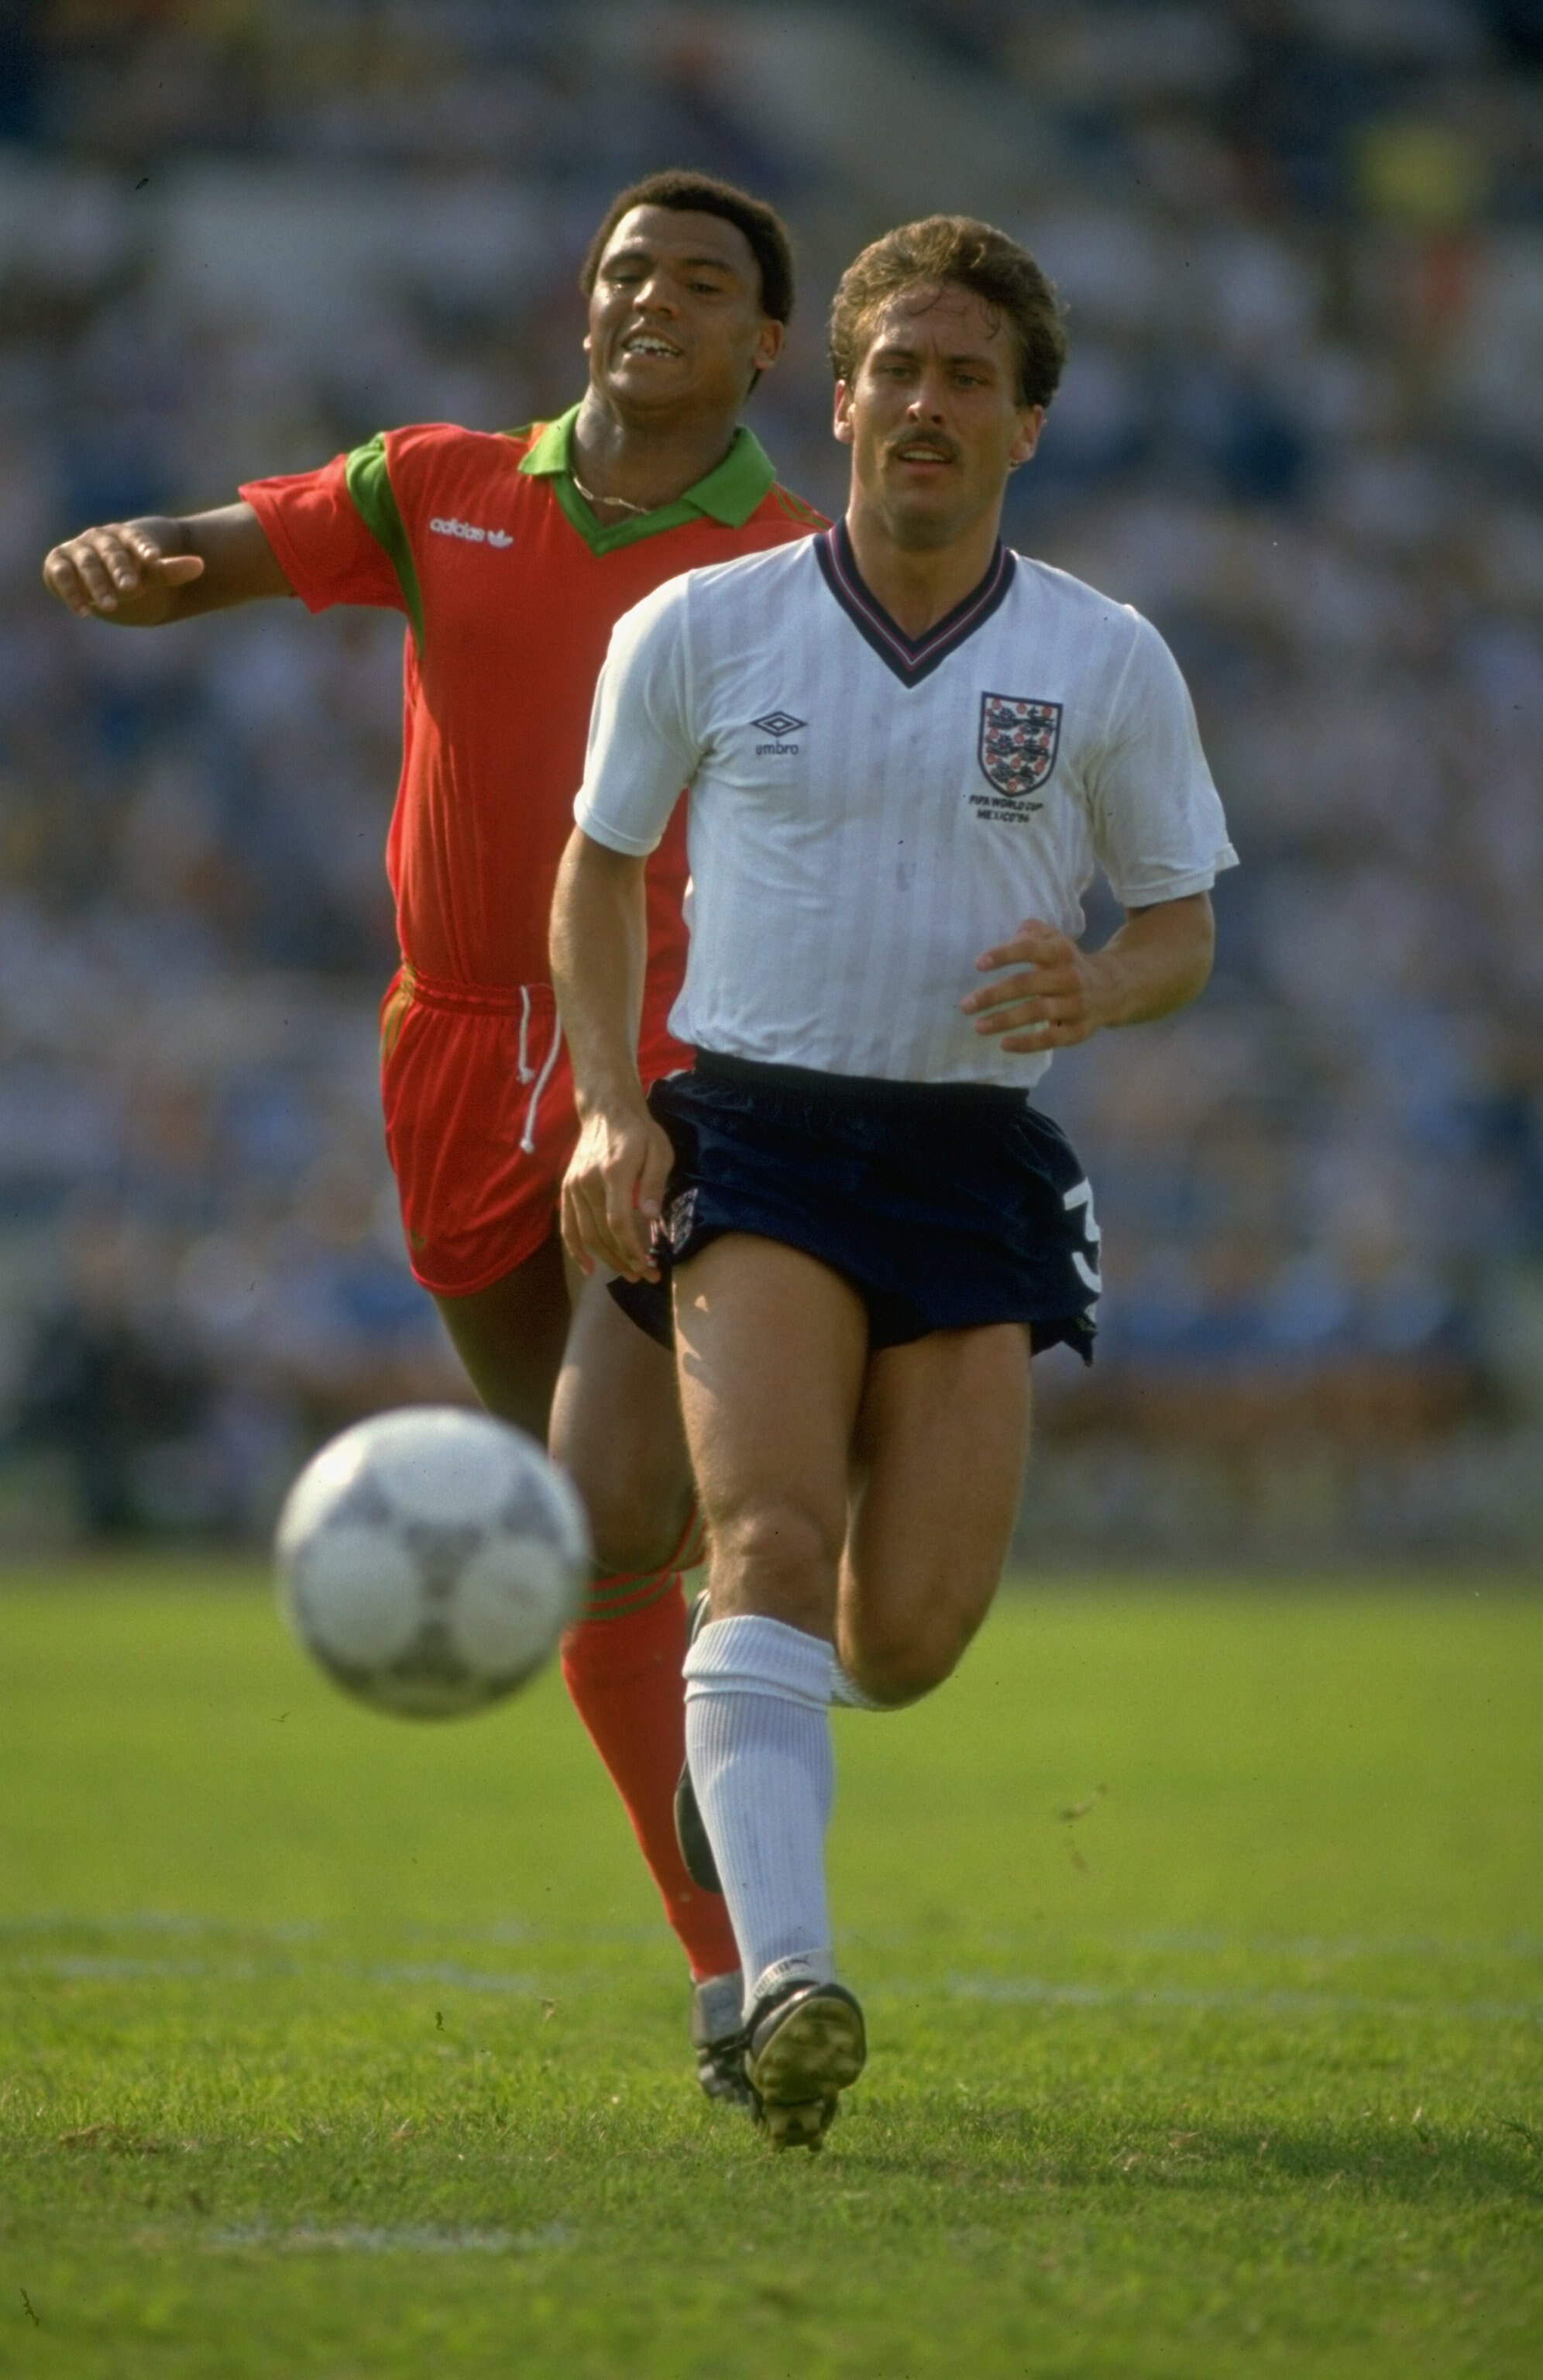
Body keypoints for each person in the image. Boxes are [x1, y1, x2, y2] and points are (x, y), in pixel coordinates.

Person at [40, 169, 826, 2103]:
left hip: (664, 1059)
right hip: (443, 1058)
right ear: (586, 300)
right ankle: (734, 1881)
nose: (652, 296)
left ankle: (746, 1967)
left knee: (619, 1505)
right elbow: (224, 546)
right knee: (594, 1554)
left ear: (762, 344)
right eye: (628, 266)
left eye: (702, 279)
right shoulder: (443, 478)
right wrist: (134, 553)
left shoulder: (794, 565)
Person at [552, 214, 1237, 2147]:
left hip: (972, 1163)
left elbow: (1182, 928)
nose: (925, 407)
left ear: (1026, 429)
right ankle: (784, 1989)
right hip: (754, 1133)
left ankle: (738, 1722)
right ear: (834, 395)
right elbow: (597, 873)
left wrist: (1100, 981)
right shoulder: (700, 627)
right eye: (897, 371)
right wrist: (615, 1107)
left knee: (905, 1640)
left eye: (968, 380)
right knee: (758, 1537)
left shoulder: (1103, 658)